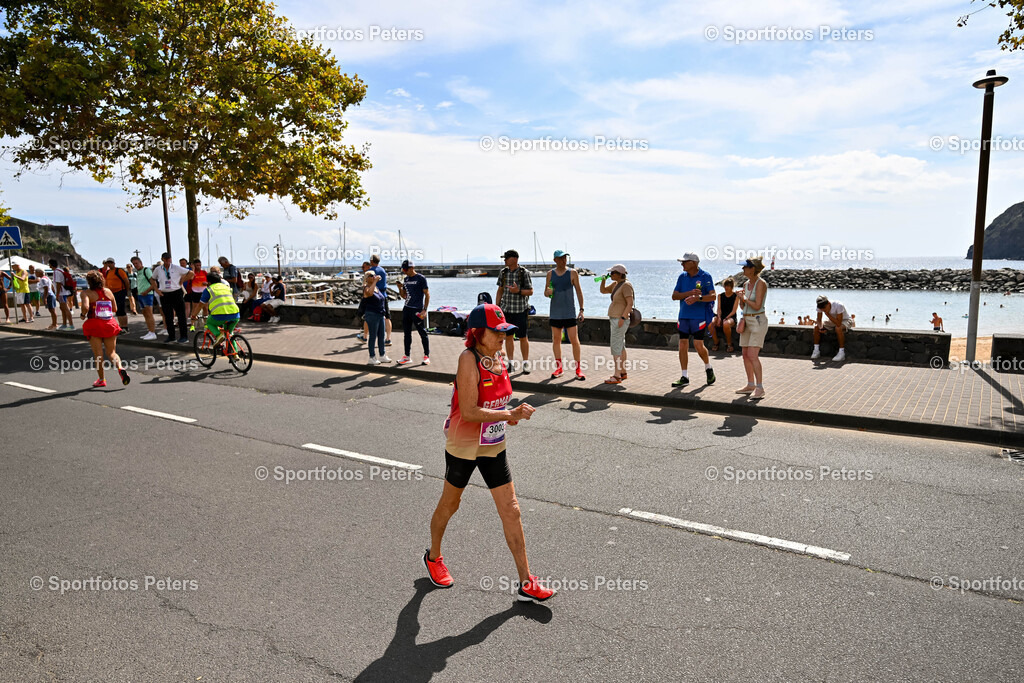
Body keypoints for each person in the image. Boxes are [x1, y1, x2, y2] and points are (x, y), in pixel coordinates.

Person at [424, 303, 553, 604]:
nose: (502, 338)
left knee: (512, 508)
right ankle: (433, 556)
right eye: (497, 333)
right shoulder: (467, 359)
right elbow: (468, 411)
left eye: (505, 332)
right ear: (478, 333)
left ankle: (526, 581)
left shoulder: (497, 358)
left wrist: (509, 416)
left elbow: (495, 403)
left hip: (493, 444)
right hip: (464, 444)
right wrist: (509, 413)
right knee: (451, 504)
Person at [671, 252, 716, 388]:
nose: (682, 264)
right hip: (683, 316)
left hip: (699, 317)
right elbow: (674, 296)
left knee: (698, 345)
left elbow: (713, 296)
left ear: (694, 263)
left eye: (685, 262)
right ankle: (684, 376)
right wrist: (690, 293)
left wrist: (699, 298)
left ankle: (708, 368)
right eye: (682, 262)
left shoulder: (705, 276)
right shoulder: (682, 277)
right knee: (683, 345)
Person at [80, 270, 130, 388]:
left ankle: (102, 379)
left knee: (98, 354)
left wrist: (83, 315)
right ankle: (120, 367)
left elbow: (85, 307)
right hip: (109, 324)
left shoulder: (86, 293)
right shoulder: (108, 291)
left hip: (94, 324)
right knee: (112, 353)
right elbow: (115, 309)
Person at [545, 249, 585, 380]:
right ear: (555, 260)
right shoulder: (550, 274)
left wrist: (581, 309)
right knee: (556, 340)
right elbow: (546, 293)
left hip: (569, 313)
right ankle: (559, 368)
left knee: (574, 340)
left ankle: (578, 370)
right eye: (561, 258)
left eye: (565, 258)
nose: (563, 260)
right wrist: (548, 292)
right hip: (555, 313)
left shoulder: (572, 273)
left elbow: (579, 291)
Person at [495, 249, 534, 374]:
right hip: (506, 310)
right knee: (509, 337)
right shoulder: (503, 272)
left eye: (507, 258)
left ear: (514, 259)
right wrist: (497, 307)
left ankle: (525, 363)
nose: (505, 260)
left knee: (523, 337)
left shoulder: (524, 273)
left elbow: (531, 291)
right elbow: (500, 290)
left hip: (521, 310)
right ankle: (510, 363)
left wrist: (518, 291)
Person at [735, 257, 769, 399]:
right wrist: (740, 301)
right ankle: (750, 384)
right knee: (745, 355)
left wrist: (744, 299)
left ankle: (760, 387)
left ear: (752, 269)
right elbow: (744, 306)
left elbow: (757, 305)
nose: (742, 269)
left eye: (745, 267)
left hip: (758, 321)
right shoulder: (746, 284)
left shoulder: (761, 284)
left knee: (753, 355)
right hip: (747, 320)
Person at [600, 264, 633, 384]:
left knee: (616, 347)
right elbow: (603, 291)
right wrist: (603, 281)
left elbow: (630, 303)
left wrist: (623, 318)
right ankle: (622, 372)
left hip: (620, 319)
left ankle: (617, 375)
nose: (611, 275)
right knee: (621, 346)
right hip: (615, 319)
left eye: (613, 273)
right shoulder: (616, 285)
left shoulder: (626, 286)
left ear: (619, 274)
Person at [152, 252, 193, 343]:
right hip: (164, 294)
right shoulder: (158, 269)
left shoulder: (176, 267)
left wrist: (183, 280)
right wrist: (157, 289)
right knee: (168, 316)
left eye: (169, 259)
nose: (167, 261)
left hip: (176, 292)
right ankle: (171, 336)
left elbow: (191, 273)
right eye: (165, 259)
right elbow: (152, 279)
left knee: (181, 315)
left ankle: (184, 336)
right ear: (162, 259)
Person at [396, 259, 431, 366]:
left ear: (412, 268)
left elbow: (427, 294)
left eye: (406, 269)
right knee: (407, 334)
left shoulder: (421, 278)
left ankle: (426, 356)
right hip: (407, 309)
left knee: (422, 333)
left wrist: (424, 309)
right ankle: (407, 356)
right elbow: (404, 296)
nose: (404, 271)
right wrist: (400, 288)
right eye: (403, 269)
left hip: (417, 310)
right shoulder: (406, 279)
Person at [199, 271, 240, 347]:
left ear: (209, 282)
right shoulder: (227, 288)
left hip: (219, 316)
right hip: (235, 314)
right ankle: (235, 354)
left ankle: (218, 335)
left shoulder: (209, 289)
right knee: (230, 334)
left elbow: (200, 305)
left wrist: (193, 316)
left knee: (209, 323)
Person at [361, 270, 391, 364]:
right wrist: (374, 282)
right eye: (371, 275)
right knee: (373, 336)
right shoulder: (366, 288)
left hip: (380, 315)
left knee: (382, 336)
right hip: (372, 315)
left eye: (374, 275)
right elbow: (369, 294)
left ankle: (382, 355)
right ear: (367, 278)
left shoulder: (376, 287)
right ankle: (372, 357)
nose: (374, 276)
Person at [812, 296, 852, 361]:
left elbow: (838, 323)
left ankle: (841, 353)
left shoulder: (838, 305)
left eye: (824, 308)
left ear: (828, 304)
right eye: (821, 309)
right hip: (832, 320)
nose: (823, 310)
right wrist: (821, 328)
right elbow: (819, 320)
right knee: (816, 327)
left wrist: (827, 314)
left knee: (838, 328)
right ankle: (816, 350)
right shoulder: (820, 306)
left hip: (845, 320)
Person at [130, 256, 159, 340]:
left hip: (147, 295)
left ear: (141, 262)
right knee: (145, 315)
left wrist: (146, 291)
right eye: (134, 264)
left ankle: (152, 332)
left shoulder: (146, 270)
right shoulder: (138, 272)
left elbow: (154, 284)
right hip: (140, 295)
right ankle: (150, 331)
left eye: (136, 263)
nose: (135, 265)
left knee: (149, 314)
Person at [101, 257, 131, 333]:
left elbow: (126, 281)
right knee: (117, 310)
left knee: (121, 310)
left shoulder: (119, 271)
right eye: (108, 263)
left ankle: (125, 326)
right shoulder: (108, 272)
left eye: (111, 263)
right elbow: (106, 283)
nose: (109, 264)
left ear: (114, 263)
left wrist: (127, 291)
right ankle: (121, 326)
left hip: (120, 291)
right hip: (112, 293)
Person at [369, 254, 393, 346]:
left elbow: (368, 284)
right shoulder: (382, 270)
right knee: (387, 317)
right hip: (384, 295)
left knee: (373, 317)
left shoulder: (370, 271)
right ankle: (388, 338)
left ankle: (368, 337)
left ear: (371, 261)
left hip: (374, 296)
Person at [710, 277, 739, 352]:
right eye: (725, 286)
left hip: (731, 317)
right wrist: (719, 318)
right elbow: (719, 309)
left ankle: (729, 344)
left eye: (728, 286)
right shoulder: (720, 296)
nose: (726, 287)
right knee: (710, 323)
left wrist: (726, 318)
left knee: (726, 324)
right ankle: (716, 342)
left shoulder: (736, 296)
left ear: (732, 286)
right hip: (721, 315)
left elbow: (734, 311)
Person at [49, 259, 75, 330]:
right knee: (62, 308)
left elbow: (58, 283)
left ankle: (71, 325)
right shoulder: (60, 270)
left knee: (65, 308)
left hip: (61, 293)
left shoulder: (56, 272)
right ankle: (64, 324)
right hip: (63, 292)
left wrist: (57, 294)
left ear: (51, 265)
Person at [186, 258, 208, 329]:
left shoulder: (204, 272)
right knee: (195, 308)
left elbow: (209, 281)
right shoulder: (192, 272)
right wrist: (193, 270)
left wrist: (206, 283)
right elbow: (191, 278)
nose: (199, 267)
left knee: (205, 308)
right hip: (195, 292)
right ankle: (192, 324)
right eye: (197, 265)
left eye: (200, 265)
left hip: (204, 292)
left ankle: (205, 324)